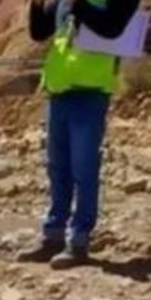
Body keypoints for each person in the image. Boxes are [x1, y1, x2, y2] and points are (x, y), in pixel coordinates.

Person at [17, 0, 140, 268]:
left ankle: (79, 241)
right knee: (57, 167)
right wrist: (37, 5)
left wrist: (78, 4)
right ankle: (53, 236)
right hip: (60, 88)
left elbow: (112, 28)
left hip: (91, 90)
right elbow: (40, 32)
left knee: (83, 168)